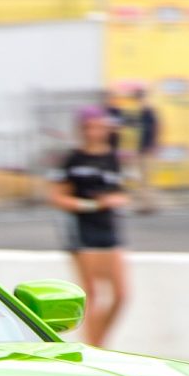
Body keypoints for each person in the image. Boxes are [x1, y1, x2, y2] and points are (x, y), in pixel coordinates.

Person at [46, 109, 129, 347]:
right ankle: (94, 346)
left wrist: (117, 200)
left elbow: (121, 193)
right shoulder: (74, 160)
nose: (96, 132)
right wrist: (92, 205)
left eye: (100, 126)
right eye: (90, 127)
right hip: (83, 230)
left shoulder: (114, 159)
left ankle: (98, 343)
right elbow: (58, 197)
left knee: (121, 295)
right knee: (91, 294)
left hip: (109, 230)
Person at [129, 87, 161, 215]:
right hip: (140, 149)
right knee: (142, 179)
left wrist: (152, 144)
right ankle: (145, 204)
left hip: (146, 149)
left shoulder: (147, 110)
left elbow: (156, 128)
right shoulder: (140, 111)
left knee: (145, 179)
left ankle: (148, 205)